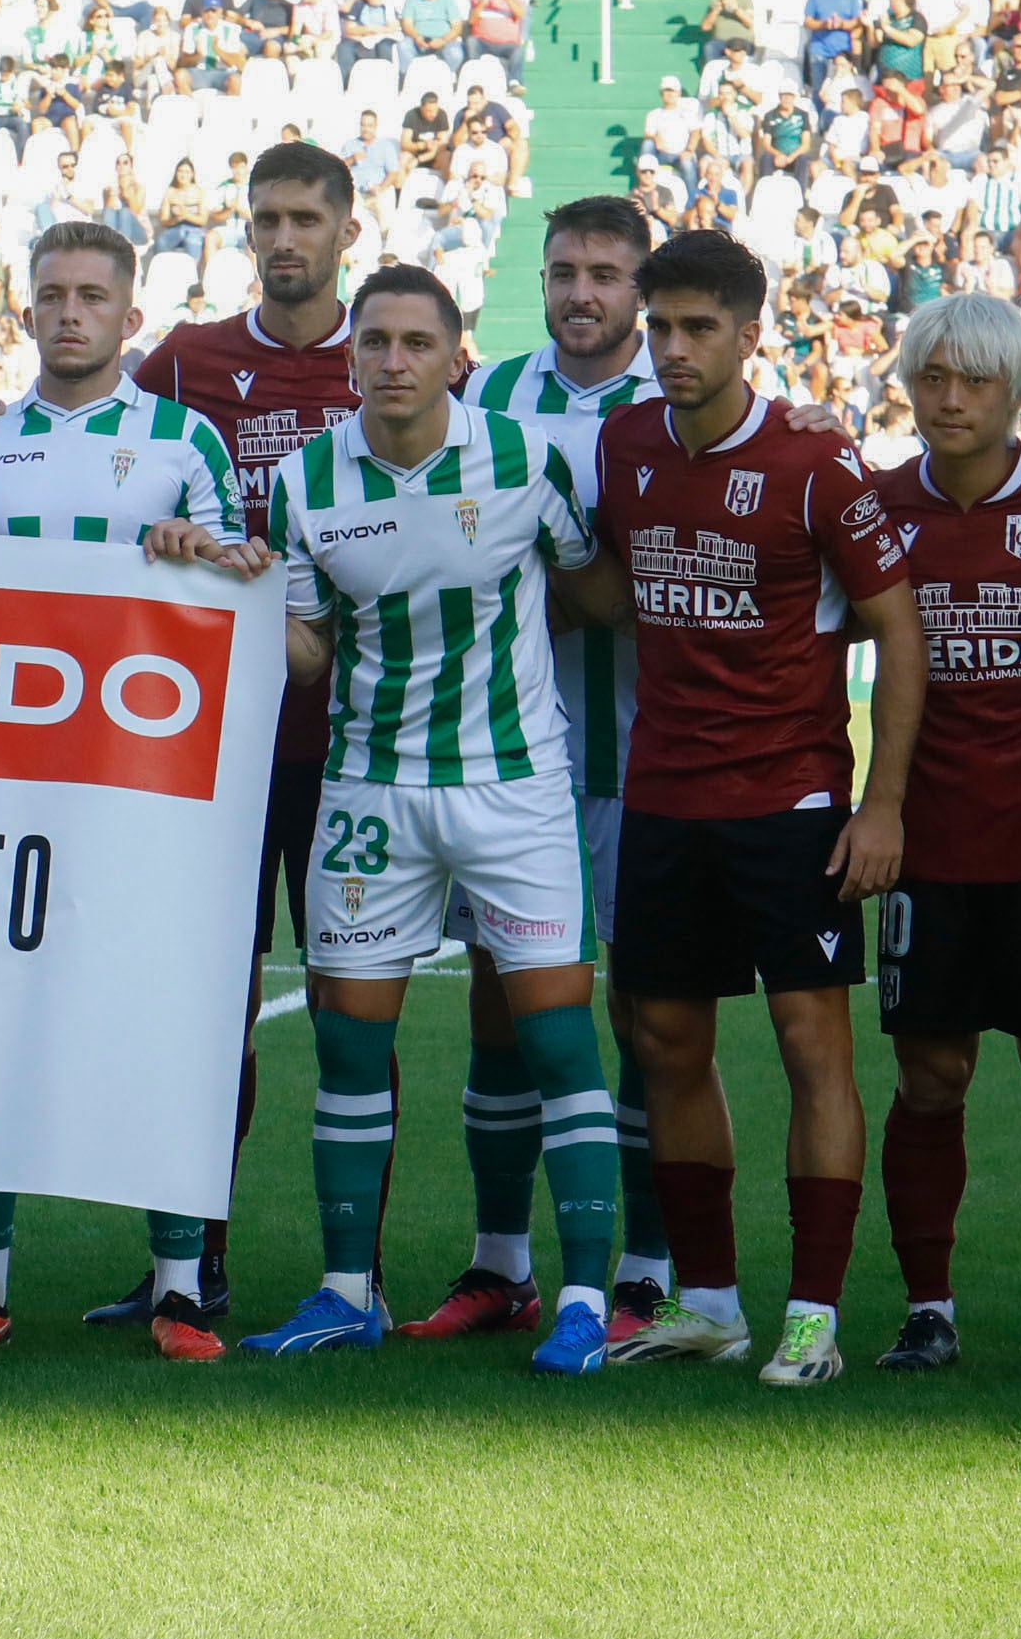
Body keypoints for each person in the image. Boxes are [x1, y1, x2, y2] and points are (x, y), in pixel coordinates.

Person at [235, 266, 631, 1375]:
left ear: (457, 354)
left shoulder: (523, 458)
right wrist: (256, 596)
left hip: (515, 788)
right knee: (349, 1044)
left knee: (558, 1039)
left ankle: (588, 1301)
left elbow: (591, 584)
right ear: (351, 355)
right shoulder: (306, 480)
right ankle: (345, 1291)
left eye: (416, 342)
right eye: (375, 342)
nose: (393, 361)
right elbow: (309, 655)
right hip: (369, 791)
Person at [0, 219, 248, 1360]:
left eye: (92, 295)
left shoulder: (187, 442)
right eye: (51, 294)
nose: (70, 311)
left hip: (142, 792)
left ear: (131, 318)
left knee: (158, 1021)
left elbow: (242, 587)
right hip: (1, 790)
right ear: (24, 311)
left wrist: (205, 554)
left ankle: (180, 1289)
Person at [595, 229, 924, 1386]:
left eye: (697, 329)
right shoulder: (625, 441)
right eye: (660, 329)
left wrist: (879, 807)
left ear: (750, 334)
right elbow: (608, 584)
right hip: (664, 796)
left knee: (808, 1044)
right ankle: (714, 1302)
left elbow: (900, 632)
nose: (673, 351)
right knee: (667, 1040)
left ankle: (815, 1317)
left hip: (790, 799)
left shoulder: (817, 462)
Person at [113, 138, 364, 1326]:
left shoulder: (396, 361)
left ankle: (350, 1274)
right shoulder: (184, 364)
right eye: (265, 217)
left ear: (344, 233)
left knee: (349, 1004)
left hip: (353, 739)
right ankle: (189, 1257)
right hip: (204, 749)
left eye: (304, 217)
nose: (282, 238)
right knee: (198, 1003)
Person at [865, 293, 1021, 1378]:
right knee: (930, 1079)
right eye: (933, 376)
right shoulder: (872, 506)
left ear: (1017, 391)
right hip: (924, 849)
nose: (951, 398)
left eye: (974, 379)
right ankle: (930, 1307)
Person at [422, 197, 662, 1341]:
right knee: (501, 1001)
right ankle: (500, 1262)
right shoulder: (488, 396)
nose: (581, 294)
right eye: (564, 270)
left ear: (640, 291)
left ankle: (648, 1270)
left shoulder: (680, 397)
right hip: (503, 756)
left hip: (646, 754)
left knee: (647, 1009)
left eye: (606, 275)